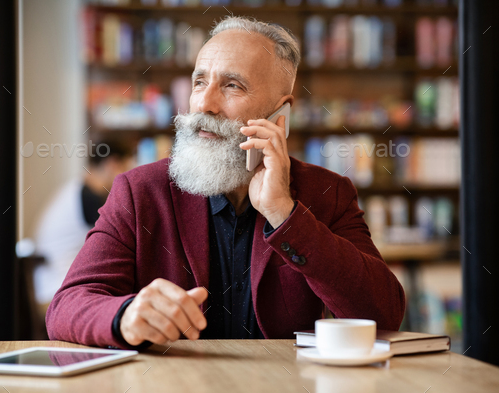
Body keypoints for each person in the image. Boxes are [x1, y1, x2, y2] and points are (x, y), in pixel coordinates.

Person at [46, 16, 406, 349]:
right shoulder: (140, 192)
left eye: (232, 86)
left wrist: (286, 215)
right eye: (199, 82)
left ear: (280, 115)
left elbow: (384, 314)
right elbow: (66, 306)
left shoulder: (328, 193)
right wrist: (125, 316)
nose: (204, 103)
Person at [33, 137, 134, 312]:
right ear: (112, 164)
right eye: (126, 166)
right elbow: (125, 238)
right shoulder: (89, 198)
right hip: (57, 290)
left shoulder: (77, 190)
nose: (128, 173)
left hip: (51, 285)